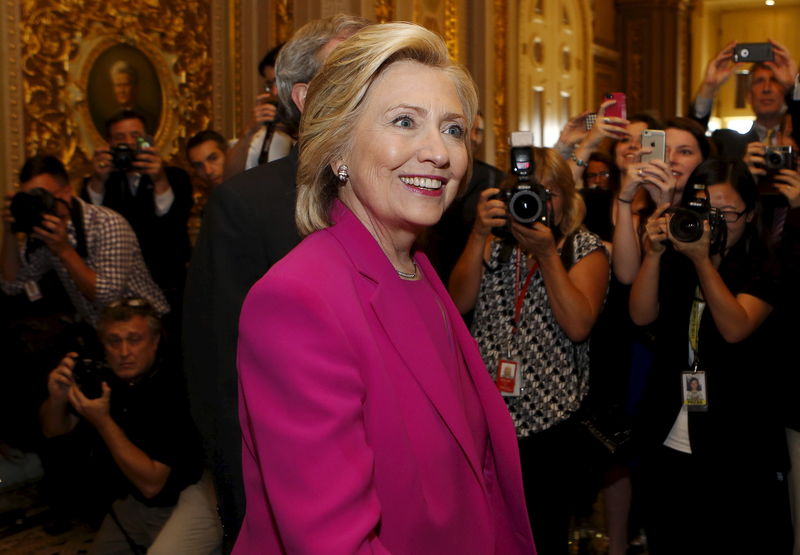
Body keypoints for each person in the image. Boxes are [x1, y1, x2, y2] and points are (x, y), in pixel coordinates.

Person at [234, 23, 535, 554]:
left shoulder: (415, 267)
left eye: (453, 129)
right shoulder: (298, 302)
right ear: (338, 148)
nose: (439, 153)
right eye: (404, 122)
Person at [182, 14, 370, 551]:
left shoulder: (405, 195)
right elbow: (218, 372)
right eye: (351, 70)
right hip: (290, 485)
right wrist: (244, 505)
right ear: (306, 97)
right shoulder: (245, 205)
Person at [449, 146, 609, 555]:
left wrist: (547, 255)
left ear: (566, 197)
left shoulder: (582, 247)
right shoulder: (496, 241)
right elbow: (458, 302)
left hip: (551, 419)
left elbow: (578, 326)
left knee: (543, 532)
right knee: (489, 528)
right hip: (487, 411)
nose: (536, 201)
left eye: (548, 192)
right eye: (526, 191)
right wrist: (479, 232)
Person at [630, 159, 792, 554]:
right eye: (706, 212)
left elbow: (735, 327)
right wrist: (653, 254)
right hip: (669, 437)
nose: (715, 222)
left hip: (738, 449)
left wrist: (703, 261)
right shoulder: (676, 258)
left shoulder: (765, 266)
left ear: (751, 214)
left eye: (728, 213)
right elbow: (640, 315)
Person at [39, 299, 221, 553]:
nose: (124, 352)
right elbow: (53, 430)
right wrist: (57, 398)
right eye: (114, 341)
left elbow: (153, 483)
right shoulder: (107, 378)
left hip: (192, 495)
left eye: (134, 339)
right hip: (137, 502)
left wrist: (103, 422)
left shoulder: (176, 386)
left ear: (155, 341)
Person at [1, 155, 168, 328]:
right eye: (29, 198)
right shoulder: (44, 231)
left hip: (146, 328)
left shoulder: (106, 223)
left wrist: (64, 250)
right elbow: (14, 284)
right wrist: (9, 230)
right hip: (102, 331)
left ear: (66, 193)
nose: (35, 203)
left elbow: (107, 298)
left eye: (40, 196)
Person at [82, 110, 193, 319]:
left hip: (168, 285)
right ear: (109, 144)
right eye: (120, 138)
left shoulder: (175, 178)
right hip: (118, 291)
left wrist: (159, 180)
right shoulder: (103, 182)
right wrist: (98, 180)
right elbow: (89, 224)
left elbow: (173, 225)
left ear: (148, 140)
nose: (129, 143)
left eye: (135, 136)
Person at [690, 39, 798, 159]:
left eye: (774, 80)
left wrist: (794, 85)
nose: (766, 89)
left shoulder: (796, 141)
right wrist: (709, 87)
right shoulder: (726, 144)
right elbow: (690, 139)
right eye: (759, 81)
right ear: (749, 96)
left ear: (785, 92)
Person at [223, 44, 293, 180]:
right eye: (270, 84)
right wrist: (249, 131)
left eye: (279, 82)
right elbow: (230, 181)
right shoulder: (264, 136)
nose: (274, 92)